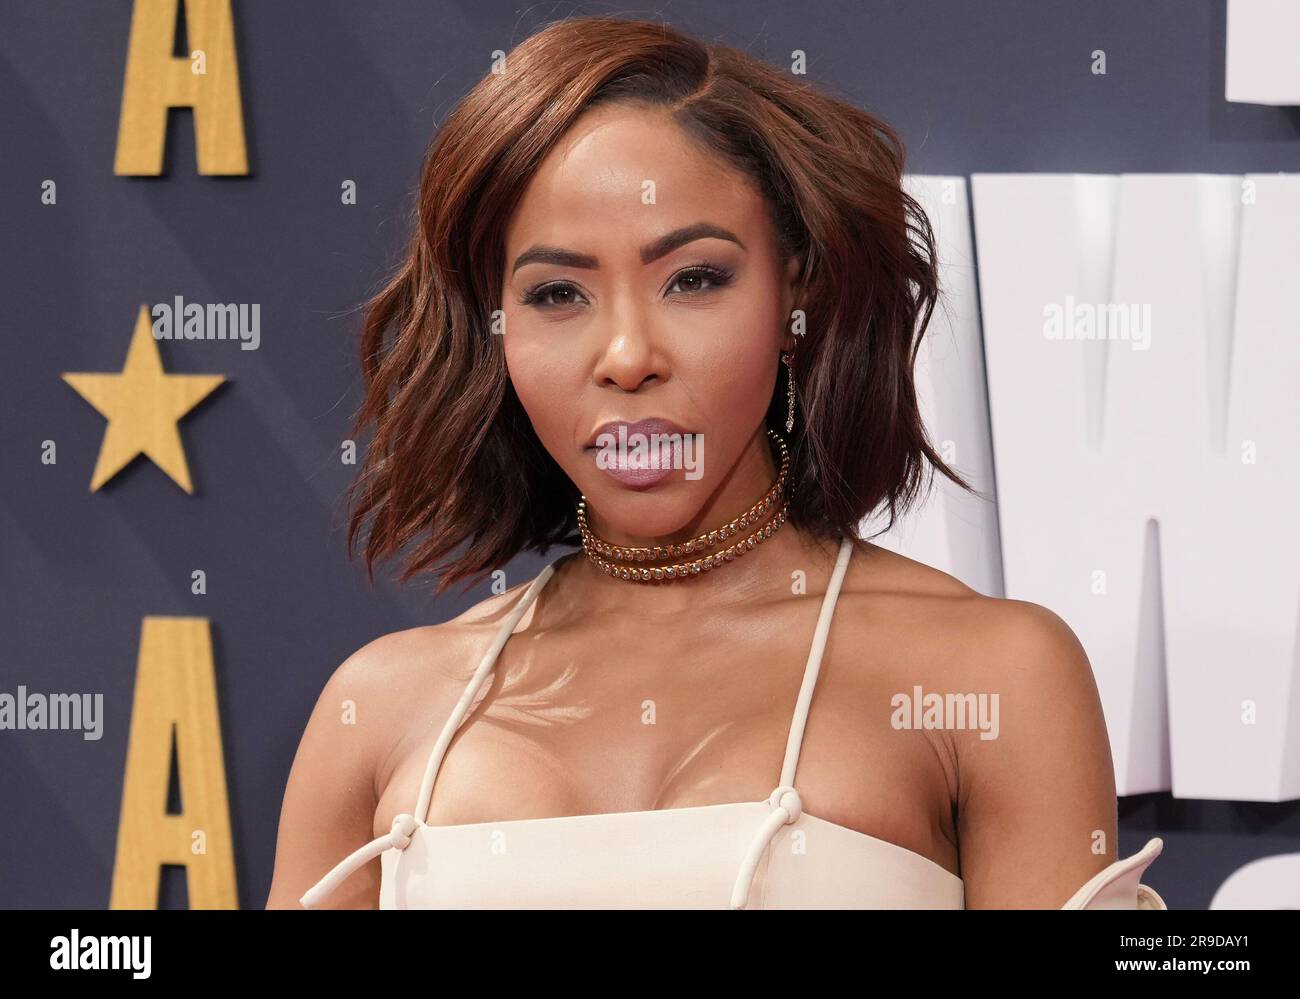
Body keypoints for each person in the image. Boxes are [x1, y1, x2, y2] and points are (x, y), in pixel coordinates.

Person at [266, 15, 1166, 910]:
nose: (626, 354)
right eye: (556, 293)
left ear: (795, 292)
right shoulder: (381, 706)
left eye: (694, 278)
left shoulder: (994, 674)